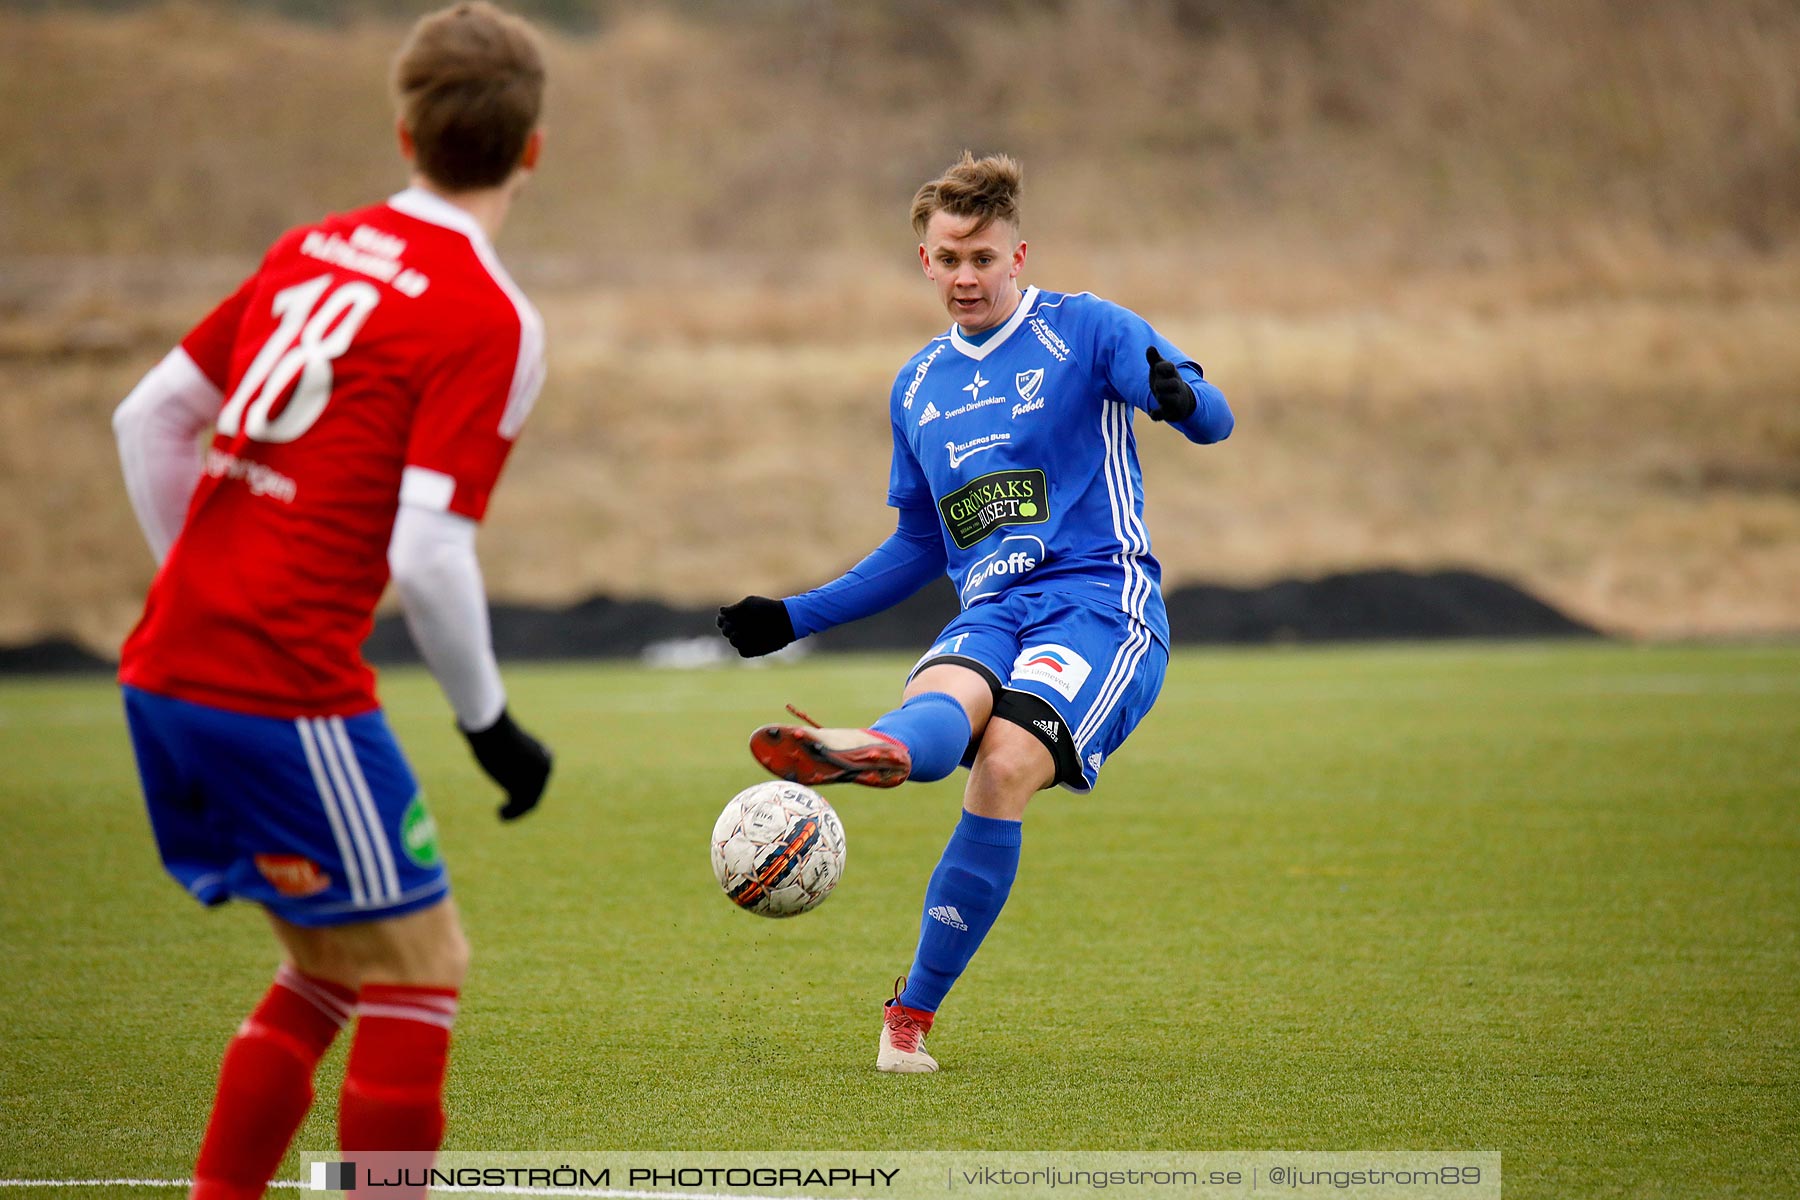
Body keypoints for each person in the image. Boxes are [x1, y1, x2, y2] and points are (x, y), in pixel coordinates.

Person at [110, 5, 553, 1195]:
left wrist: (194, 585)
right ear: (531, 149)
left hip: (163, 669)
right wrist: (489, 726)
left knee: (333, 964)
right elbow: (428, 553)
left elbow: (148, 417)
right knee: (423, 963)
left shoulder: (310, 247)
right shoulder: (486, 313)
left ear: (404, 130)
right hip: (282, 689)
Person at [718, 151, 1233, 1073]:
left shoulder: (1089, 332)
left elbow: (1216, 419)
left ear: (1018, 255)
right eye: (949, 259)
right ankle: (877, 749)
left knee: (1001, 765)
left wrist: (1182, 397)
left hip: (1097, 607)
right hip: (991, 606)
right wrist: (794, 616)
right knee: (950, 690)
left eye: (983, 259)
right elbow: (921, 546)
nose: (966, 277)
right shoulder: (918, 387)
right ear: (924, 261)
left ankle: (908, 1014)